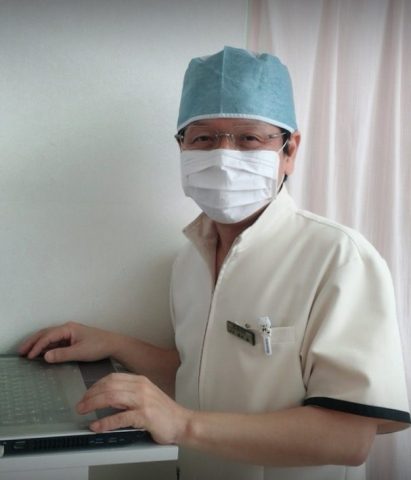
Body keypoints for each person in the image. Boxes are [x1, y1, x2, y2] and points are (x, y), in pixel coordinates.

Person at [19, 46, 410, 480]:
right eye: (203, 138)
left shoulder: (338, 258)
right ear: (181, 147)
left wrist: (182, 424)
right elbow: (202, 376)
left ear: (289, 151)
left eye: (249, 138)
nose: (224, 157)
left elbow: (348, 438)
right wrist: (114, 345)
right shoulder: (189, 260)